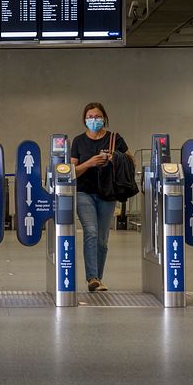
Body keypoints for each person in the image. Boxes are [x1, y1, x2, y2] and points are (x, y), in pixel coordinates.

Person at [70, 102, 131, 292]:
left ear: (105, 117)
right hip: (83, 192)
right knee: (91, 231)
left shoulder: (115, 139)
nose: (94, 120)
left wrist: (117, 158)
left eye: (97, 116)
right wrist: (89, 163)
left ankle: (98, 277)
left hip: (107, 193)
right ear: (84, 119)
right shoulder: (79, 141)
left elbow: (132, 162)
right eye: (90, 117)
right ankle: (92, 278)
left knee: (102, 239)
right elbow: (72, 171)